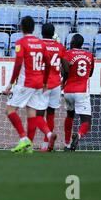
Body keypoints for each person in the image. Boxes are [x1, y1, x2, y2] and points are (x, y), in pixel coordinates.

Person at [4, 16, 56, 154]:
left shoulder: (21, 42)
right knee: (31, 113)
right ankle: (35, 143)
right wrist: (45, 81)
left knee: (10, 110)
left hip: (26, 82)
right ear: (34, 28)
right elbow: (48, 63)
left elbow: (18, 63)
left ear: (21, 27)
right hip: (39, 82)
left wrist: (10, 83)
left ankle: (23, 138)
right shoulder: (41, 43)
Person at [61, 33, 95, 151]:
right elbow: (90, 73)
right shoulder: (89, 55)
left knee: (70, 115)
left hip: (68, 90)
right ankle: (78, 135)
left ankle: (66, 144)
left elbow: (65, 70)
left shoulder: (67, 54)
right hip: (81, 91)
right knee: (86, 120)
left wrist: (64, 81)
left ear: (72, 42)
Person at [36, 23, 65, 152]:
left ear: (42, 32)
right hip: (56, 84)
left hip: (42, 84)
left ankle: (46, 138)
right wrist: (63, 81)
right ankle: (46, 144)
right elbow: (66, 67)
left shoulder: (37, 45)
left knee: (38, 115)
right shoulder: (60, 47)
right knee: (51, 114)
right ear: (53, 33)